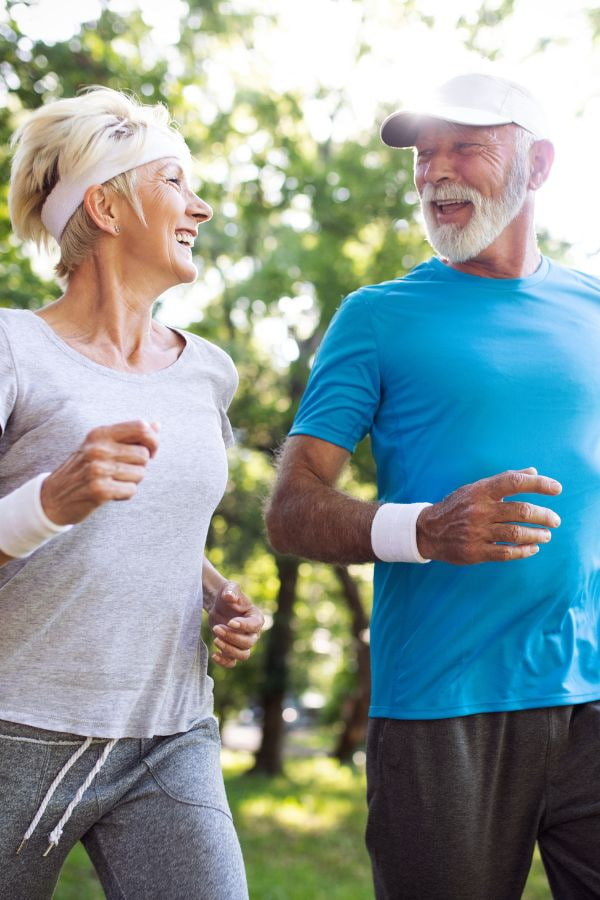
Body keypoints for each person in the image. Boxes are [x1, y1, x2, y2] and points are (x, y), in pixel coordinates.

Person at [265, 72, 600, 899]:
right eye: (424, 153)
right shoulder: (378, 316)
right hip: (442, 710)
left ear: (541, 163)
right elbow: (290, 509)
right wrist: (420, 530)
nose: (434, 171)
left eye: (465, 147)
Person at [0, 87, 264, 899]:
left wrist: (219, 593)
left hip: (170, 732)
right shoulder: (16, 348)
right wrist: (47, 501)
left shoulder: (207, 369)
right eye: (176, 183)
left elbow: (160, 528)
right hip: (18, 728)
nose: (204, 206)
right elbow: (69, 510)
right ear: (108, 206)